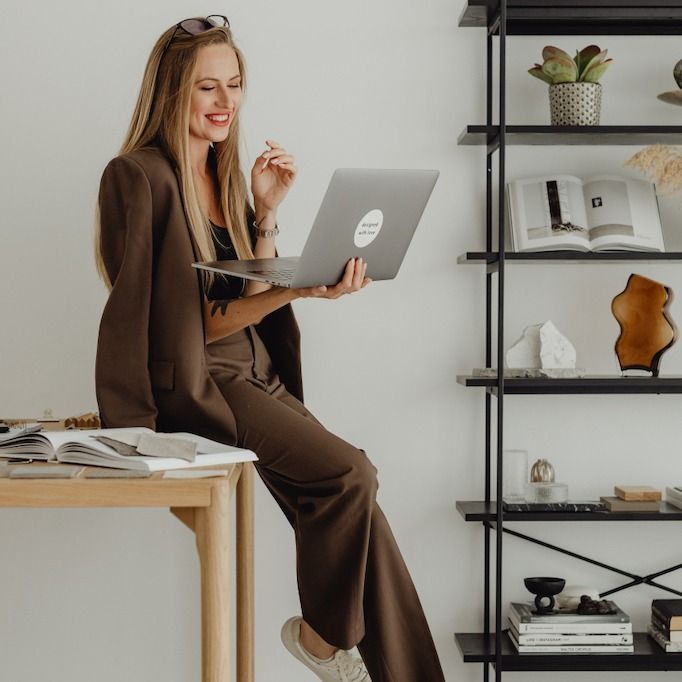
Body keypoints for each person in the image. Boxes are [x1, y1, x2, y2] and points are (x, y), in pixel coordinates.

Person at [94, 15, 445, 682]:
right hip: (202, 382)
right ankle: (320, 642)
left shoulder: (222, 177)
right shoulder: (138, 178)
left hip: (256, 372)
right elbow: (190, 326)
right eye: (207, 88)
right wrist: (304, 289)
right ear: (171, 93)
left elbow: (250, 285)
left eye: (235, 85)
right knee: (351, 475)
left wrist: (266, 214)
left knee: (360, 505)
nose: (226, 103)